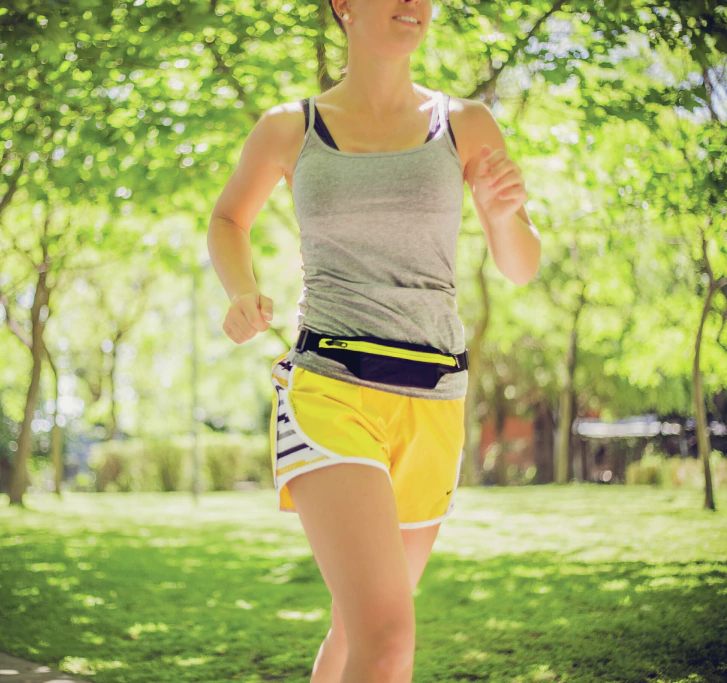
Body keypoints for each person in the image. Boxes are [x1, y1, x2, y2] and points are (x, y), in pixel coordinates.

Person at [207, 1, 541, 680]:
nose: (413, 4)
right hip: (331, 387)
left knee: (357, 629)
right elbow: (227, 219)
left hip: (434, 398)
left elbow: (521, 265)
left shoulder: (467, 123)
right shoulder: (289, 127)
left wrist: (502, 215)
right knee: (387, 638)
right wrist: (242, 290)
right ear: (344, 6)